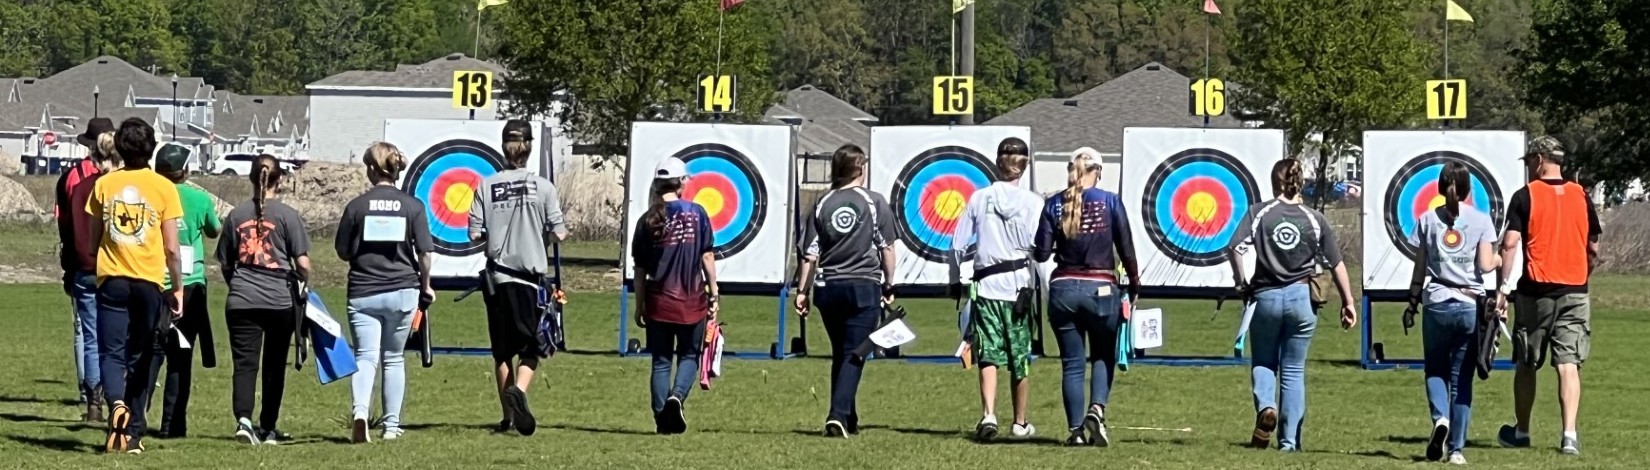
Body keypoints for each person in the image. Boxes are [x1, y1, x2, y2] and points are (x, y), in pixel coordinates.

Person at [1226, 158, 1357, 452]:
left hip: (1266, 297)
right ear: (1300, 183)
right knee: (1294, 370)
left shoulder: (1259, 213)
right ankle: (1288, 442)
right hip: (1302, 298)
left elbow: (1233, 247)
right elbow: (1336, 264)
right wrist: (1348, 302)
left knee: (1263, 362)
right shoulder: (1314, 218)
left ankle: (1266, 407)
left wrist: (1240, 282)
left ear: (1274, 183)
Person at [1493, 136, 1601, 456]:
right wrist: (1583, 275)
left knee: (1527, 362)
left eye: (1529, 162)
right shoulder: (1581, 195)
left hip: (1535, 292)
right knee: (1568, 363)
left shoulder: (1525, 196)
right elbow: (1593, 246)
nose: (1528, 168)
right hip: (1575, 290)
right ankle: (1569, 436)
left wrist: (1502, 288)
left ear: (1540, 160)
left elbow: (1510, 244)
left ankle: (1522, 431)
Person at [86, 118, 186, 454]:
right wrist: (178, 288)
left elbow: (92, 237)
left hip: (112, 279)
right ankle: (131, 433)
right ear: (151, 147)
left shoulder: (104, 185)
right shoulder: (164, 188)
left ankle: (116, 404)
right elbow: (172, 247)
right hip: (148, 282)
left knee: (110, 353)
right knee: (142, 356)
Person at [1031, 148, 1140, 447]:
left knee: (1072, 363)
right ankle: (1097, 409)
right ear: (1099, 172)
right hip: (1101, 289)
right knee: (1103, 355)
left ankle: (1076, 431)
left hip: (1063, 289)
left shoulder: (1053, 203)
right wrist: (1134, 281)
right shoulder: (1110, 201)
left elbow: (1041, 252)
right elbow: (1126, 247)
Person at [468, 120, 567, 436]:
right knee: (531, 348)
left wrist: (497, 240)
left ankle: (508, 418)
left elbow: (473, 235)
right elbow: (559, 234)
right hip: (529, 281)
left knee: (501, 352)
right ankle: (520, 392)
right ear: (529, 147)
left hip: (497, 280)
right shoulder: (545, 187)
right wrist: (541, 238)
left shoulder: (485, 186)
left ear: (503, 147)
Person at [794, 144, 896, 438]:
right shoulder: (874, 201)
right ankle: (837, 415)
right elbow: (887, 247)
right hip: (863, 287)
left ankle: (848, 416)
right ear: (860, 169)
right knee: (855, 353)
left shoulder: (822, 202)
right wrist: (890, 283)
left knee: (843, 351)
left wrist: (802, 291)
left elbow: (809, 254)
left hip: (828, 288)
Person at [335, 142, 434, 443]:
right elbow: (426, 252)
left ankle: (361, 413)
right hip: (403, 291)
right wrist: (426, 285)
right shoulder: (413, 206)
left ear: (372, 170)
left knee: (365, 357)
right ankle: (392, 426)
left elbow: (341, 250)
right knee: (393, 358)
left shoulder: (356, 206)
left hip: (363, 291)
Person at [1404, 161, 1501, 464]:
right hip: (1468, 307)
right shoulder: (1481, 219)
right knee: (1462, 379)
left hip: (1436, 302)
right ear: (1468, 188)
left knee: (1435, 369)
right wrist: (1502, 259)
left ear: (1440, 186)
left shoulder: (1426, 219)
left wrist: (1411, 303)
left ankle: (1440, 419)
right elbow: (1486, 266)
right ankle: (1456, 450)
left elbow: (1420, 267)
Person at [951, 137, 1045, 441]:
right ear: (1025, 165)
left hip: (987, 288)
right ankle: (1019, 422)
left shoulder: (980, 198)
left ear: (997, 163)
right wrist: (1047, 286)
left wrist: (958, 281)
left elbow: (957, 244)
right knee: (1019, 356)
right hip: (1019, 290)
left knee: (988, 353)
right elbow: (1040, 251)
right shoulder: (1033, 203)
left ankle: (989, 414)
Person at [216, 154, 311, 445]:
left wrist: (239, 284)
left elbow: (225, 261)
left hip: (242, 299)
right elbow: (303, 262)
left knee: (245, 365)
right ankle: (268, 426)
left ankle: (244, 421)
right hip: (279, 300)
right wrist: (305, 282)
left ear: (250, 178)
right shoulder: (288, 216)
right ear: (279, 179)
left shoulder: (235, 215)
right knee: (273, 365)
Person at [629, 156, 718, 434]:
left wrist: (639, 305)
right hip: (691, 301)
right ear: (680, 183)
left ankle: (661, 419)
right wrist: (714, 294)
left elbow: (640, 270)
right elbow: (706, 256)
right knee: (690, 355)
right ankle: (676, 398)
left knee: (661, 361)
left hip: (658, 302)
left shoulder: (647, 219)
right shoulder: (697, 213)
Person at [153, 143, 223, 439]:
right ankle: (173, 424)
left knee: (149, 354)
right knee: (181, 358)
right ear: (186, 170)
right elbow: (214, 229)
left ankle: (132, 416)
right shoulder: (198, 198)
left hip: (154, 281)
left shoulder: (151, 195)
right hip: (191, 284)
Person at [60, 117, 118, 422]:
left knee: (90, 335)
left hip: (84, 264)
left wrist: (68, 265)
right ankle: (116, 399)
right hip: (114, 266)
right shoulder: (116, 187)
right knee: (116, 335)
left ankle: (94, 399)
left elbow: (67, 228)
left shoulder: (77, 185)